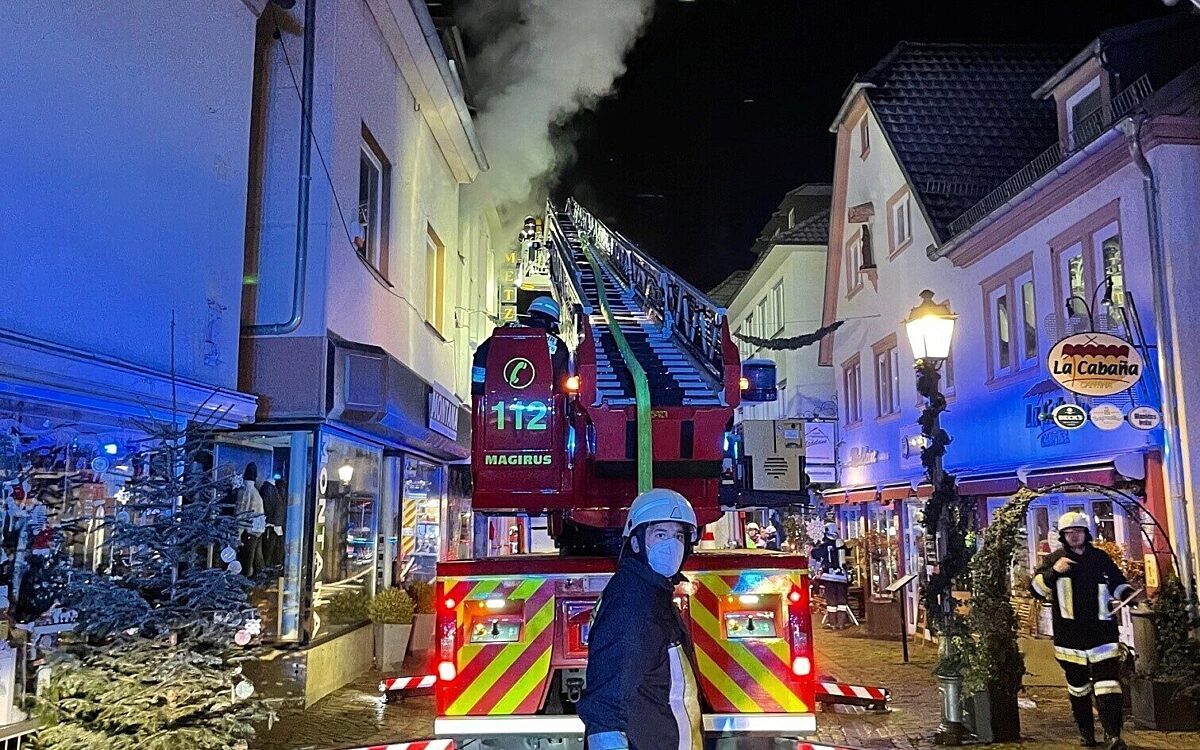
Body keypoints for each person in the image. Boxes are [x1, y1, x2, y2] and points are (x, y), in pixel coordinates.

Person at [578, 488, 703, 750]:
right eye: (660, 534)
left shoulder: (652, 593)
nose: (672, 545)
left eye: (679, 536)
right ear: (635, 543)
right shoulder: (632, 602)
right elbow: (608, 698)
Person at [1030, 511, 1135, 749]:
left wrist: (1128, 595)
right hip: (1070, 638)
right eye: (1069, 533)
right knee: (1078, 689)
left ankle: (1113, 735)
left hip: (1102, 634)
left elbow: (1117, 582)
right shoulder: (1055, 560)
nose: (1074, 536)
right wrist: (1054, 572)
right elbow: (1035, 589)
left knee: (1109, 686)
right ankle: (1086, 733)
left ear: (1085, 533)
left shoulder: (1100, 558)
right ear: (1063, 536)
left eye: (1077, 531)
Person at [471, 295, 570, 395]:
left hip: (496, 398)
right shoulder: (558, 347)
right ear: (552, 323)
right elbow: (560, 383)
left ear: (531, 314)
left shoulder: (505, 332)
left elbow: (481, 355)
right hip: (540, 401)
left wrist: (478, 390)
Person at [810, 522, 853, 629]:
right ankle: (841, 623)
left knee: (831, 599)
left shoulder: (825, 545)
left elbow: (815, 554)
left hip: (829, 576)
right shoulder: (841, 544)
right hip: (842, 576)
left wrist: (817, 544)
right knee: (842, 600)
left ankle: (833, 623)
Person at [237, 463, 266, 579]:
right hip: (257, 530)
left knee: (246, 559)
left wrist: (238, 534)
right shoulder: (255, 492)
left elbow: (241, 513)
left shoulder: (245, 491)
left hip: (248, 530)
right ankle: (260, 580)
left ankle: (245, 582)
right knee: (256, 558)